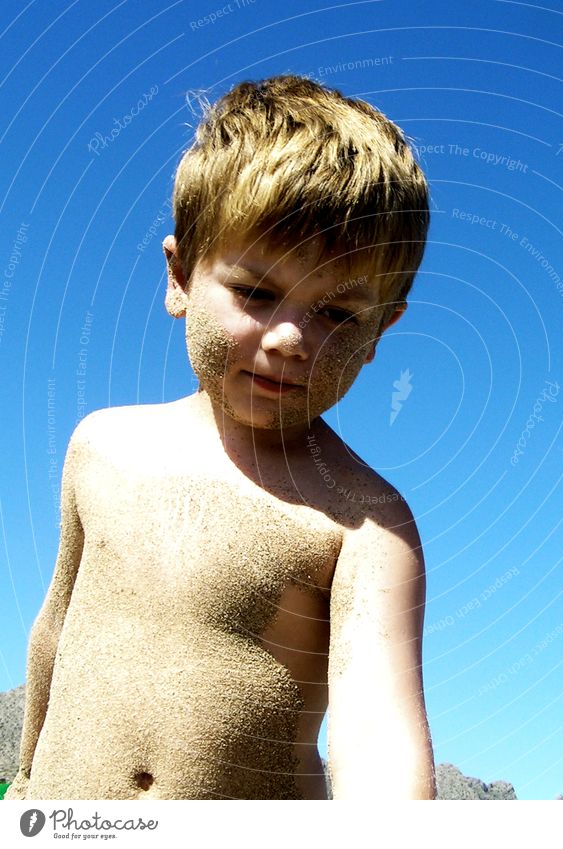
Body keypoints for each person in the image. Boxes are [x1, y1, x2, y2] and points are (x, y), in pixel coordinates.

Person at [6, 75, 434, 800]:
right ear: (180, 276)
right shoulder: (102, 447)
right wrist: (21, 781)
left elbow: (377, 731)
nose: (293, 336)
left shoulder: (365, 522)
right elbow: (54, 630)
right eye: (257, 293)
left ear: (377, 333)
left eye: (336, 312)